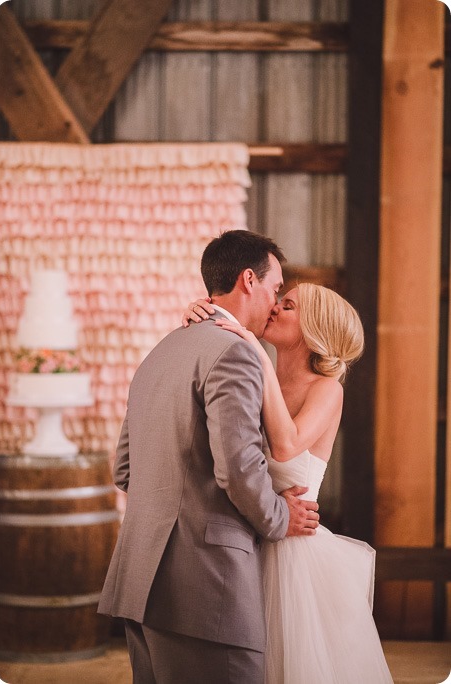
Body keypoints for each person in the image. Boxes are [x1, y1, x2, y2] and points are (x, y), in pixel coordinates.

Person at [98, 230, 320, 684]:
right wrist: (281, 516)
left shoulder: (160, 352)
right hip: (203, 589)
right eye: (275, 289)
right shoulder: (235, 353)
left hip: (140, 581)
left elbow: (124, 469)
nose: (276, 303)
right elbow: (238, 469)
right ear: (248, 280)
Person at [184, 282, 394, 683]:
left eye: (288, 306)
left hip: (297, 555)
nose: (275, 309)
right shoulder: (247, 371)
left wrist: (258, 357)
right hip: (249, 540)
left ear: (313, 327)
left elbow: (286, 445)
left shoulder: (327, 389)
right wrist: (203, 315)